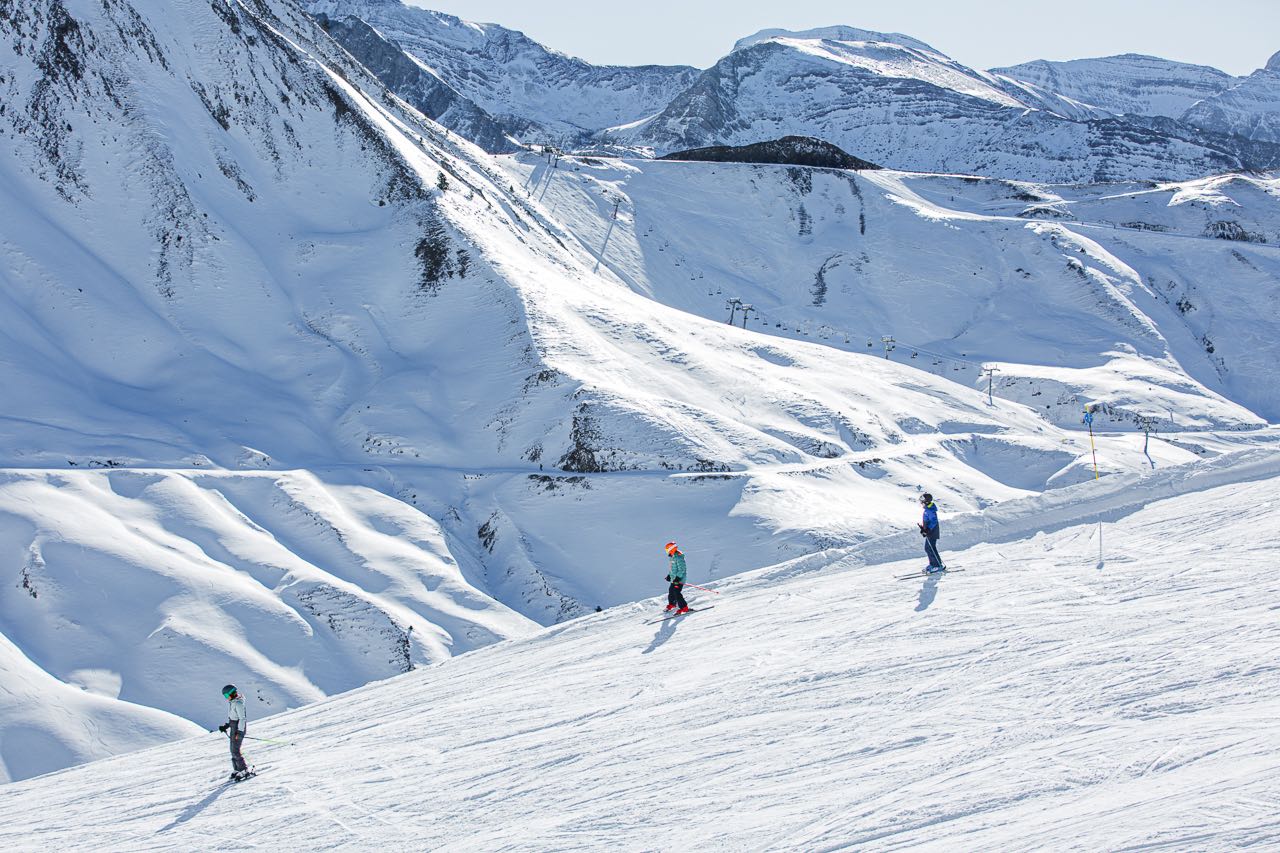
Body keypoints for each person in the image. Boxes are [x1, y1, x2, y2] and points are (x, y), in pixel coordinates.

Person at [218, 684, 250, 780]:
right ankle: (237, 769)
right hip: (234, 727)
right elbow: (233, 717)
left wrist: (239, 732)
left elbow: (242, 719)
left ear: (232, 693)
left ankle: (243, 770)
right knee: (232, 750)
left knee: (236, 750)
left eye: (227, 696)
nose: (226, 698)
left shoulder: (238, 703)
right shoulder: (233, 702)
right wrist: (227, 726)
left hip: (238, 729)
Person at [918, 493, 945, 573]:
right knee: (929, 548)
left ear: (926, 502)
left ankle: (937, 566)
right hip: (930, 531)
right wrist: (923, 529)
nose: (921, 503)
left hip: (933, 532)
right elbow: (927, 521)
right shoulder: (927, 509)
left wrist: (928, 530)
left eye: (922, 501)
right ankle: (934, 564)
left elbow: (933, 521)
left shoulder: (930, 510)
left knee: (930, 548)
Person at [664, 541, 689, 614]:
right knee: (671, 591)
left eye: (667, 550)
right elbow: (673, 569)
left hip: (679, 579)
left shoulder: (678, 557)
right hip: (674, 579)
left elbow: (682, 569)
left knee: (676, 592)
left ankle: (684, 608)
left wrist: (677, 578)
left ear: (671, 549)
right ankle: (672, 604)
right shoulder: (672, 557)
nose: (667, 551)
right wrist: (669, 576)